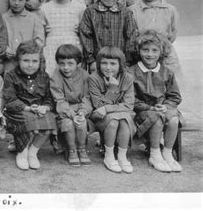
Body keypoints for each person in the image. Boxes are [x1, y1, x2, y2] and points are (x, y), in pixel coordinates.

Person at [129, 30, 182, 172]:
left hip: (163, 108)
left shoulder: (167, 71)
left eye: (154, 50)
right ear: (138, 50)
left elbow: (175, 96)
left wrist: (165, 106)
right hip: (142, 111)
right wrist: (150, 108)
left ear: (161, 52)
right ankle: (155, 153)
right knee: (156, 119)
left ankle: (167, 153)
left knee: (174, 119)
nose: (150, 54)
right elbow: (130, 99)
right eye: (145, 50)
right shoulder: (131, 72)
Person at [2, 40, 56, 171]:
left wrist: (45, 107)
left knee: (50, 119)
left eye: (34, 61)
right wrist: (28, 108)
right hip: (17, 111)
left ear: (40, 61)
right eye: (26, 61)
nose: (30, 65)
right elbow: (10, 100)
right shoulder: (10, 76)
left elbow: (49, 99)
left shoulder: (44, 76)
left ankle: (33, 152)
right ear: (18, 60)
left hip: (38, 110)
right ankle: (22, 152)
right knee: (28, 119)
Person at [89, 46, 136, 174]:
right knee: (114, 121)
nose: (108, 67)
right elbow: (97, 105)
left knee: (124, 120)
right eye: (104, 63)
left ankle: (122, 156)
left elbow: (128, 105)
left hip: (119, 113)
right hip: (100, 116)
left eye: (113, 63)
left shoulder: (127, 78)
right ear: (98, 64)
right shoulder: (94, 78)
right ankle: (109, 156)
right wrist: (111, 89)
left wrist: (107, 108)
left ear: (120, 64)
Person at [129, 0, 182, 80]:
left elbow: (173, 33)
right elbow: (131, 35)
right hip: (143, 54)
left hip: (166, 53)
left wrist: (163, 48)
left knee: (170, 80)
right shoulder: (132, 11)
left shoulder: (170, 10)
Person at [79, 0, 138, 72]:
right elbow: (85, 36)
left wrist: (127, 61)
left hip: (119, 62)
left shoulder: (126, 12)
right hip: (97, 62)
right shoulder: (90, 11)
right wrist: (91, 60)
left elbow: (131, 37)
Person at [50, 44, 92, 167]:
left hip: (80, 108)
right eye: (62, 63)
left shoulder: (85, 75)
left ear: (78, 62)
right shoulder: (55, 77)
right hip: (63, 111)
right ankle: (72, 149)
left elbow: (87, 97)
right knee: (68, 123)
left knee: (81, 122)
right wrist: (71, 114)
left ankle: (82, 148)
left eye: (70, 63)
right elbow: (59, 100)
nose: (66, 67)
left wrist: (83, 112)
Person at [40, 0, 85, 75]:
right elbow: (41, 34)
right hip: (52, 49)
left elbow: (84, 33)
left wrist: (80, 30)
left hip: (73, 48)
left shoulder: (80, 8)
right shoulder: (45, 8)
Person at [2, 0, 44, 74]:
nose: (16, 3)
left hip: (29, 64)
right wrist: (5, 49)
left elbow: (39, 40)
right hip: (10, 64)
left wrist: (27, 52)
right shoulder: (3, 18)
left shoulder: (34, 18)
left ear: (27, 0)